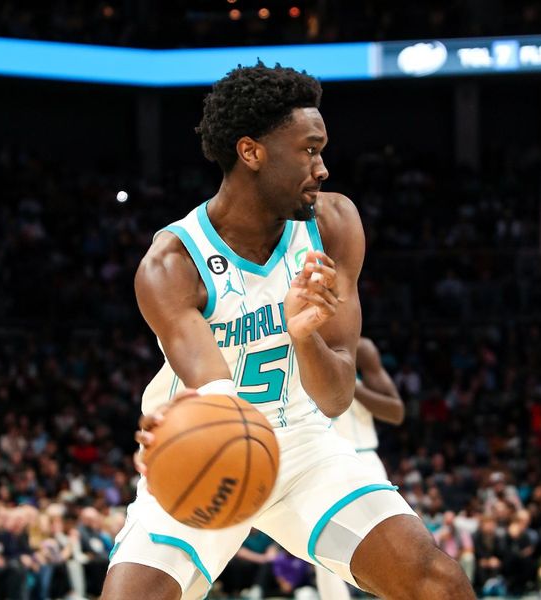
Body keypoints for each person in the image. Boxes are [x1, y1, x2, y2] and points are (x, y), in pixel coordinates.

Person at [102, 62, 474, 600]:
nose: (322, 168)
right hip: (213, 449)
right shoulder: (174, 263)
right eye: (309, 149)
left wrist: (305, 336)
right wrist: (186, 429)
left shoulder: (333, 225)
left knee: (438, 582)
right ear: (251, 152)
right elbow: (218, 396)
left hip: (302, 444)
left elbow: (337, 396)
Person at [316, 336, 405, 600]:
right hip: (319, 460)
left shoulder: (362, 348)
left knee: (388, 541)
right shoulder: (293, 341)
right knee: (322, 549)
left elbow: (396, 412)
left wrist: (349, 385)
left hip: (363, 457)